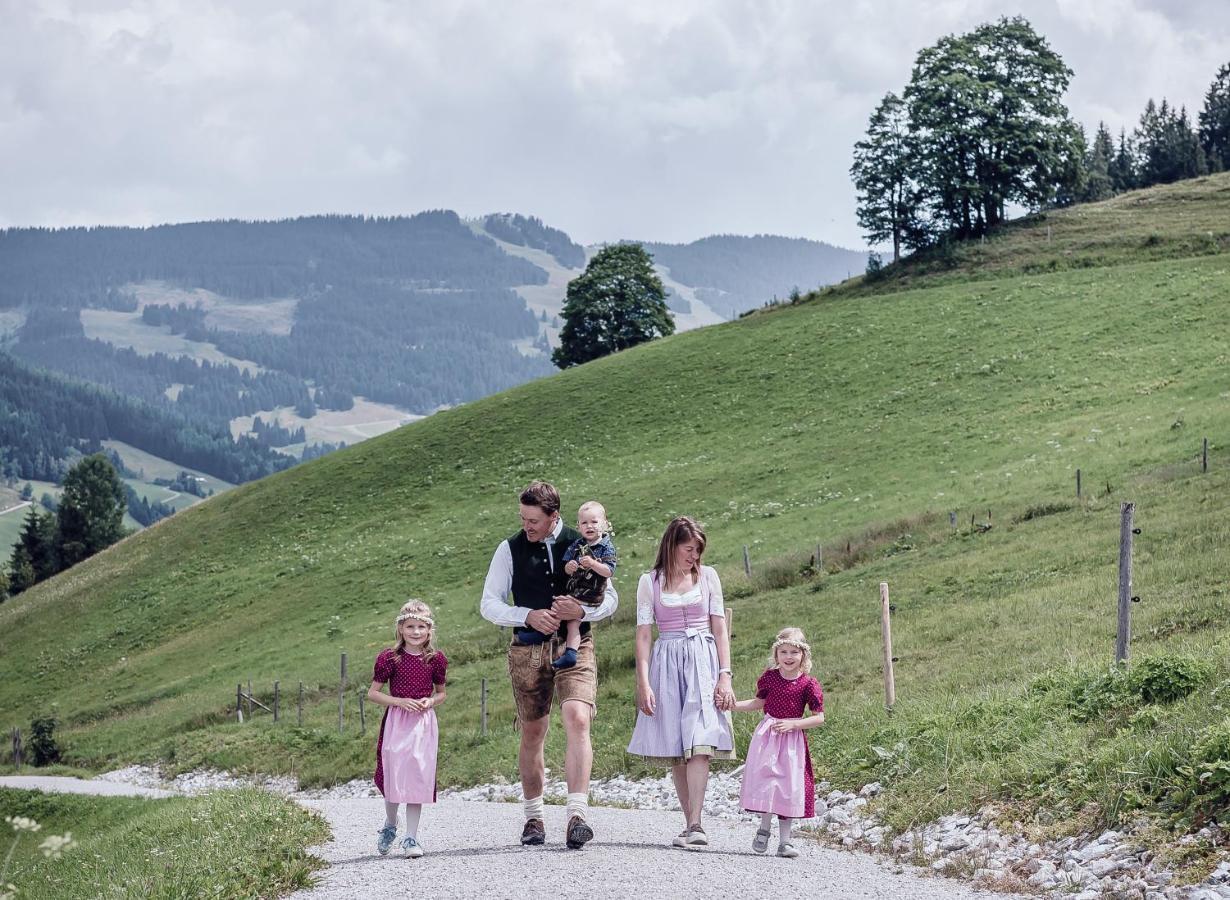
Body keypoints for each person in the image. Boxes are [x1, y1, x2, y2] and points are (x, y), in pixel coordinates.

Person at [479, 480, 618, 849]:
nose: (527, 526)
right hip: (528, 650)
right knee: (533, 732)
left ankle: (577, 815)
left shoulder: (586, 539)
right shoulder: (508, 549)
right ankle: (533, 817)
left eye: (533, 520)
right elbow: (488, 603)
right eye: (523, 518)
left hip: (577, 643)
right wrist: (526, 615)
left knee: (578, 717)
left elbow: (612, 598)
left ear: (553, 516)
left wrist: (583, 609)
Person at [626, 516, 736, 850]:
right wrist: (643, 683)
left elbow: (719, 630)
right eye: (689, 549)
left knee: (700, 740)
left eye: (698, 550)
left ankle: (697, 823)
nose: (694, 556)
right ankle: (691, 823)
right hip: (668, 662)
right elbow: (644, 636)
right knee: (678, 746)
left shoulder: (709, 577)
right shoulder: (651, 582)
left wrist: (725, 675)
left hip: (703, 660)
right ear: (672, 546)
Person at [733, 626, 825, 859]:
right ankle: (764, 829)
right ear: (776, 655)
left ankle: (785, 841)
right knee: (767, 781)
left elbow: (819, 717)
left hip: (792, 740)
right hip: (768, 736)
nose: (788, 657)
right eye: (783, 652)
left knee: (788, 787)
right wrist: (731, 705)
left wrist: (794, 724)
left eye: (794, 652)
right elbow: (757, 703)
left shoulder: (808, 684)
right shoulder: (771, 678)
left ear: (803, 655)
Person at [367, 599, 448, 859]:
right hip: (397, 721)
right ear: (401, 628)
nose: (416, 632)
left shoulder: (436, 659)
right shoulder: (389, 658)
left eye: (421, 626)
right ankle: (391, 824)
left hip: (423, 724)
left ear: (429, 630)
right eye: (411, 626)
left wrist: (430, 701)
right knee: (394, 774)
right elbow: (373, 693)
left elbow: (442, 694)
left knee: (417, 777)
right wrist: (399, 701)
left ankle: (411, 837)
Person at [553, 500, 618, 670]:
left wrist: (592, 563)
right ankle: (570, 652)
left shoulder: (606, 547)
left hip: (593, 591)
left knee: (566, 612)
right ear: (579, 526)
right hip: (578, 589)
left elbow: (609, 571)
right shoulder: (577, 545)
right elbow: (567, 568)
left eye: (594, 522)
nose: (589, 526)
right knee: (567, 616)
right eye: (584, 523)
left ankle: (569, 650)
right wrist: (570, 567)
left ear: (604, 524)